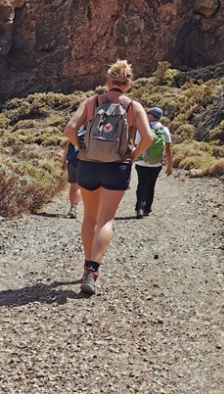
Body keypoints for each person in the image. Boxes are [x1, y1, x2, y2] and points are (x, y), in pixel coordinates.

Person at [65, 60, 154, 295]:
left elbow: (69, 129)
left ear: (108, 81)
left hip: (88, 165)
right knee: (106, 220)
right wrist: (133, 156)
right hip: (117, 167)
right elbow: (149, 138)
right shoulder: (134, 107)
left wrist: (80, 147)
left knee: (90, 218)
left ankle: (86, 265)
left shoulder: (91, 103)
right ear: (128, 83)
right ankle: (93, 270)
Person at [134, 106, 173, 218]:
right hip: (157, 163)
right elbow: (168, 149)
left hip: (142, 162)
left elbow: (136, 146)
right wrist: (170, 166)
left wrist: (132, 159)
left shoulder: (142, 128)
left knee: (142, 184)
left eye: (148, 113)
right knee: (151, 185)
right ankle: (147, 208)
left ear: (151, 116)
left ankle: (140, 208)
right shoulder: (165, 130)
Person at [61, 134, 82, 218]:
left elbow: (67, 147)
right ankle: (74, 208)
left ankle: (71, 207)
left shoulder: (74, 134)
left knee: (73, 185)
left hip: (72, 162)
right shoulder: (90, 133)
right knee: (78, 187)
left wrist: (63, 161)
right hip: (83, 162)